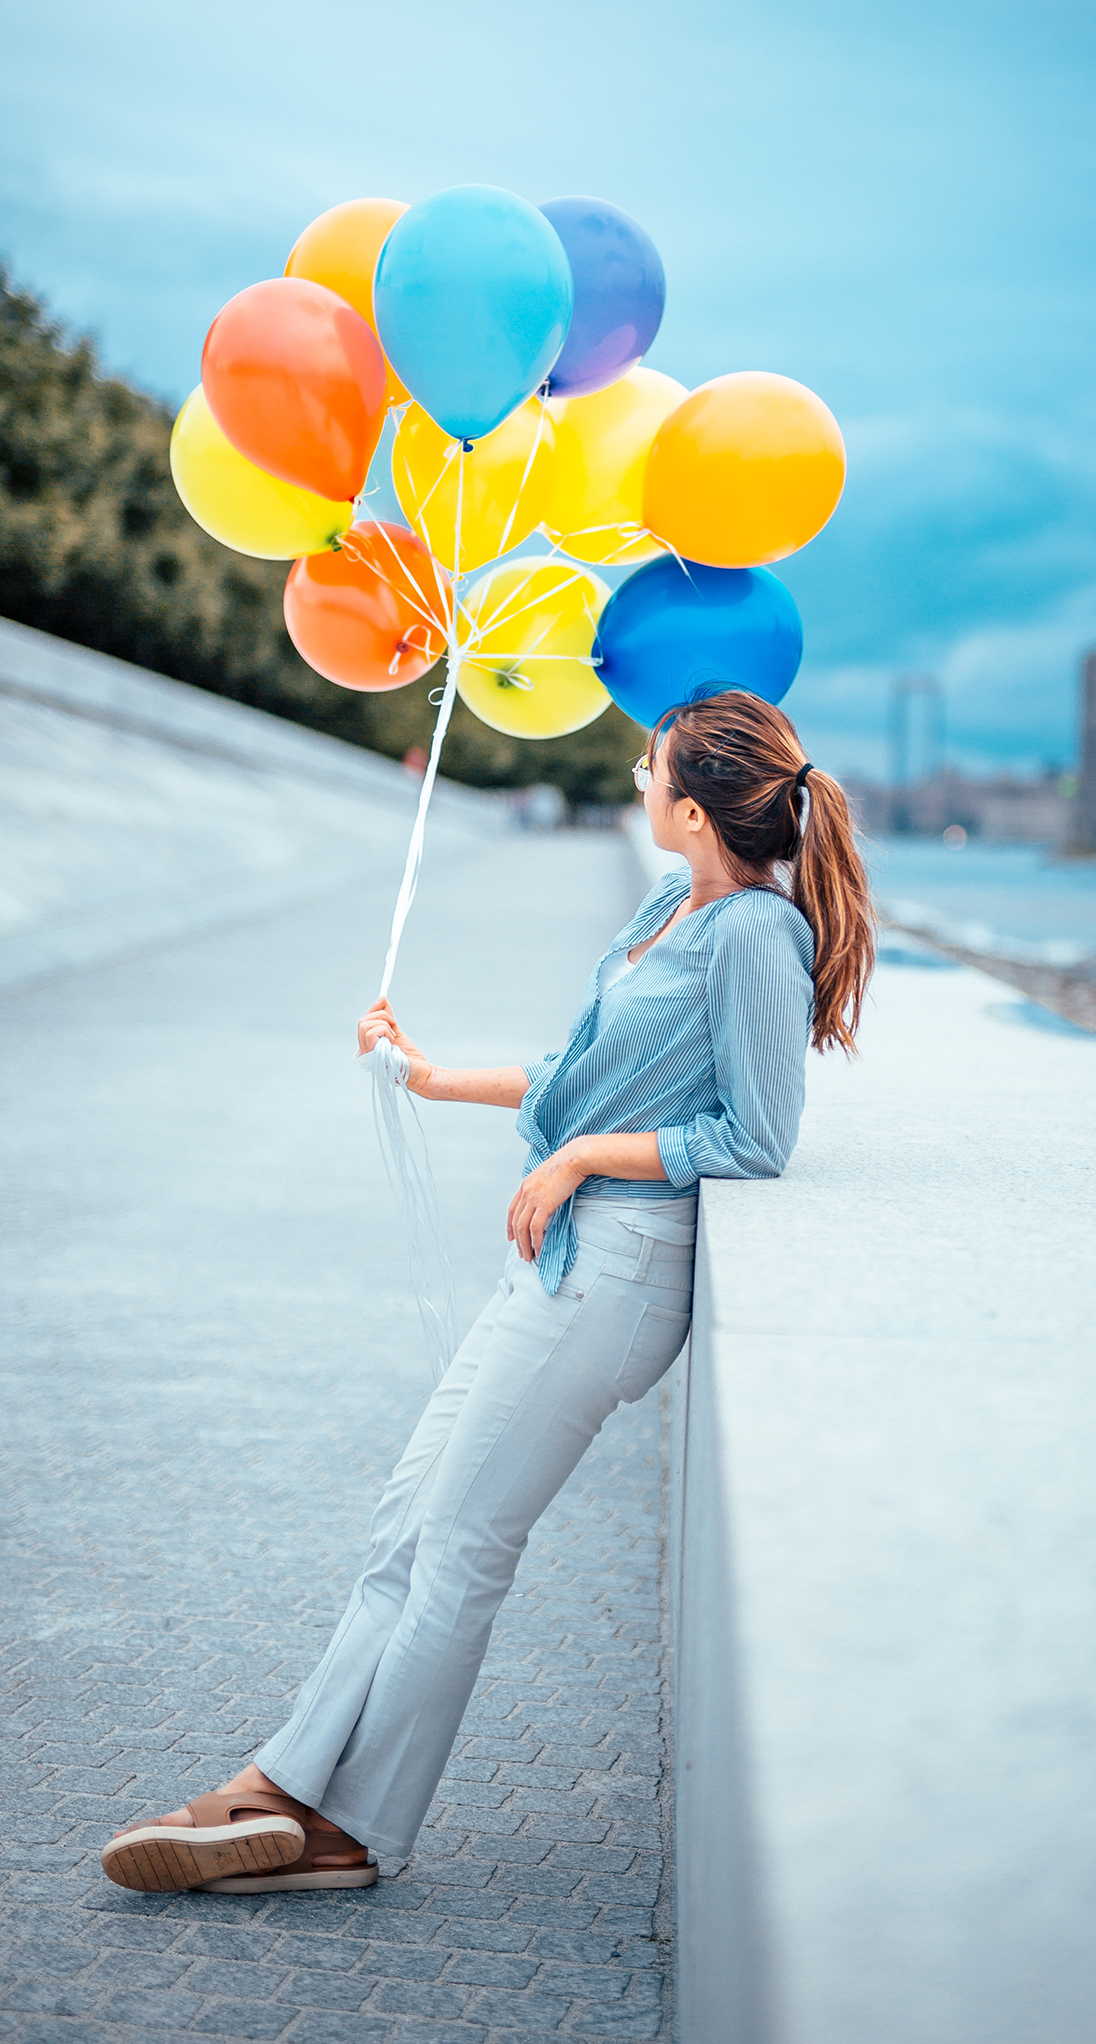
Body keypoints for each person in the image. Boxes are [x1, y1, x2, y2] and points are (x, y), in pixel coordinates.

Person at [101, 689, 875, 1896]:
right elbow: (579, 1074)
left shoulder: (755, 938)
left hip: (622, 1273)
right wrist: (425, 1075)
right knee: (407, 1525)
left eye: (650, 763)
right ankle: (290, 1782)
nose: (633, 772)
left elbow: (758, 1136)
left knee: (462, 1546)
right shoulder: (672, 901)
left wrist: (579, 1159)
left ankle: (349, 1827)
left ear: (691, 805)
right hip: (566, 1258)